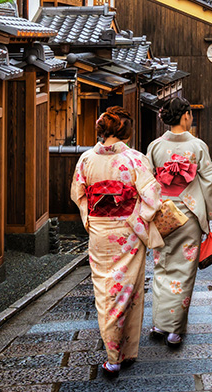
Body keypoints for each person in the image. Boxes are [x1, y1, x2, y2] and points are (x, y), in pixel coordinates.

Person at [70, 106, 164, 377]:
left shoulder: (86, 159)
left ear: (102, 130)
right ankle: (122, 353)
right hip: (128, 233)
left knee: (105, 291)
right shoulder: (135, 159)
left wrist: (90, 219)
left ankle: (117, 355)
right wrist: (139, 216)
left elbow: (78, 194)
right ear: (127, 132)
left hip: (100, 232)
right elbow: (152, 197)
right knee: (129, 290)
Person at [146, 97, 212, 346]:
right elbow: (209, 182)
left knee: (162, 267)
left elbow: (148, 182)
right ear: (185, 115)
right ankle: (174, 329)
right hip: (189, 214)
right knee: (184, 272)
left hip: (163, 214)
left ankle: (159, 324)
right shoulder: (197, 146)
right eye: (190, 114)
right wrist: (210, 215)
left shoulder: (155, 146)